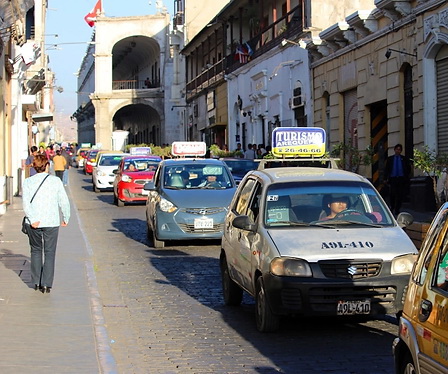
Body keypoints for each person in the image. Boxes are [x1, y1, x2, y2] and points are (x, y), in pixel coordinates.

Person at [22, 154, 70, 293]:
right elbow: (63, 201)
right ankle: (46, 284)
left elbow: (26, 204)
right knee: (50, 252)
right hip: (51, 221)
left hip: (34, 222)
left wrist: (32, 219)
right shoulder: (55, 181)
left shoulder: (28, 182)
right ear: (47, 166)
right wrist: (66, 217)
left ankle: (36, 282)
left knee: (36, 251)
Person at [385, 144, 411, 216]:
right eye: (397, 149)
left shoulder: (404, 159)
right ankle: (392, 207)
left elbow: (408, 168)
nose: (398, 151)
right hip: (393, 179)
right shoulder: (390, 159)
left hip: (401, 179)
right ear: (394, 150)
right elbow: (387, 169)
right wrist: (386, 178)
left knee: (400, 195)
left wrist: (406, 176)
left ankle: (397, 209)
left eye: (399, 150)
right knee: (392, 194)